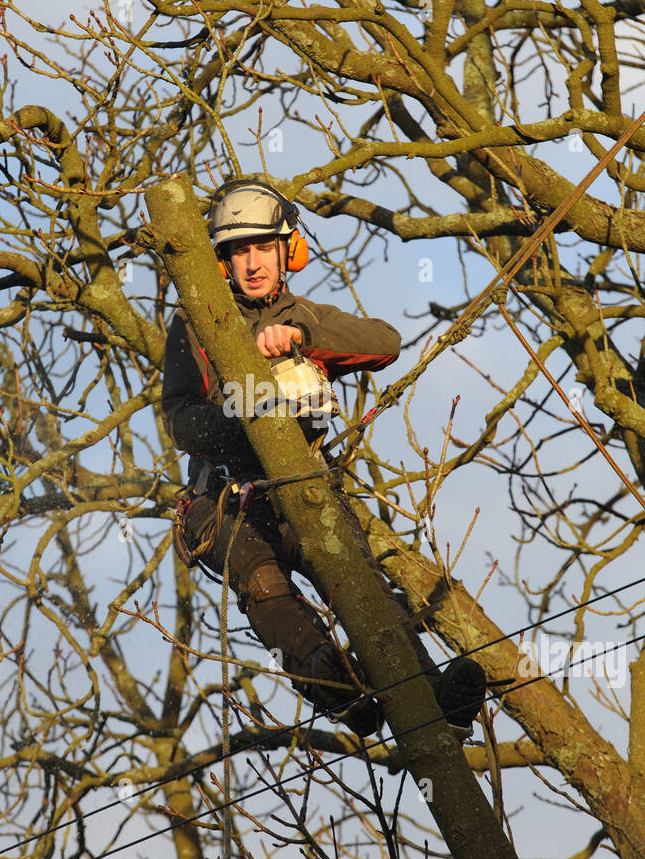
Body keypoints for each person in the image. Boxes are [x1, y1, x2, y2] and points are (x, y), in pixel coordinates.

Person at [161, 177, 488, 738]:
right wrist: (241, 422)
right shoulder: (196, 324)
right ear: (221, 263)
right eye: (239, 252)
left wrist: (300, 335)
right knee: (266, 589)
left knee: (356, 582)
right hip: (228, 499)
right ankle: (338, 691)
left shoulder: (302, 315)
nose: (252, 263)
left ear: (286, 250)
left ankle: (432, 695)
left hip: (301, 487)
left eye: (262, 247)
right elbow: (180, 419)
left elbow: (384, 341)